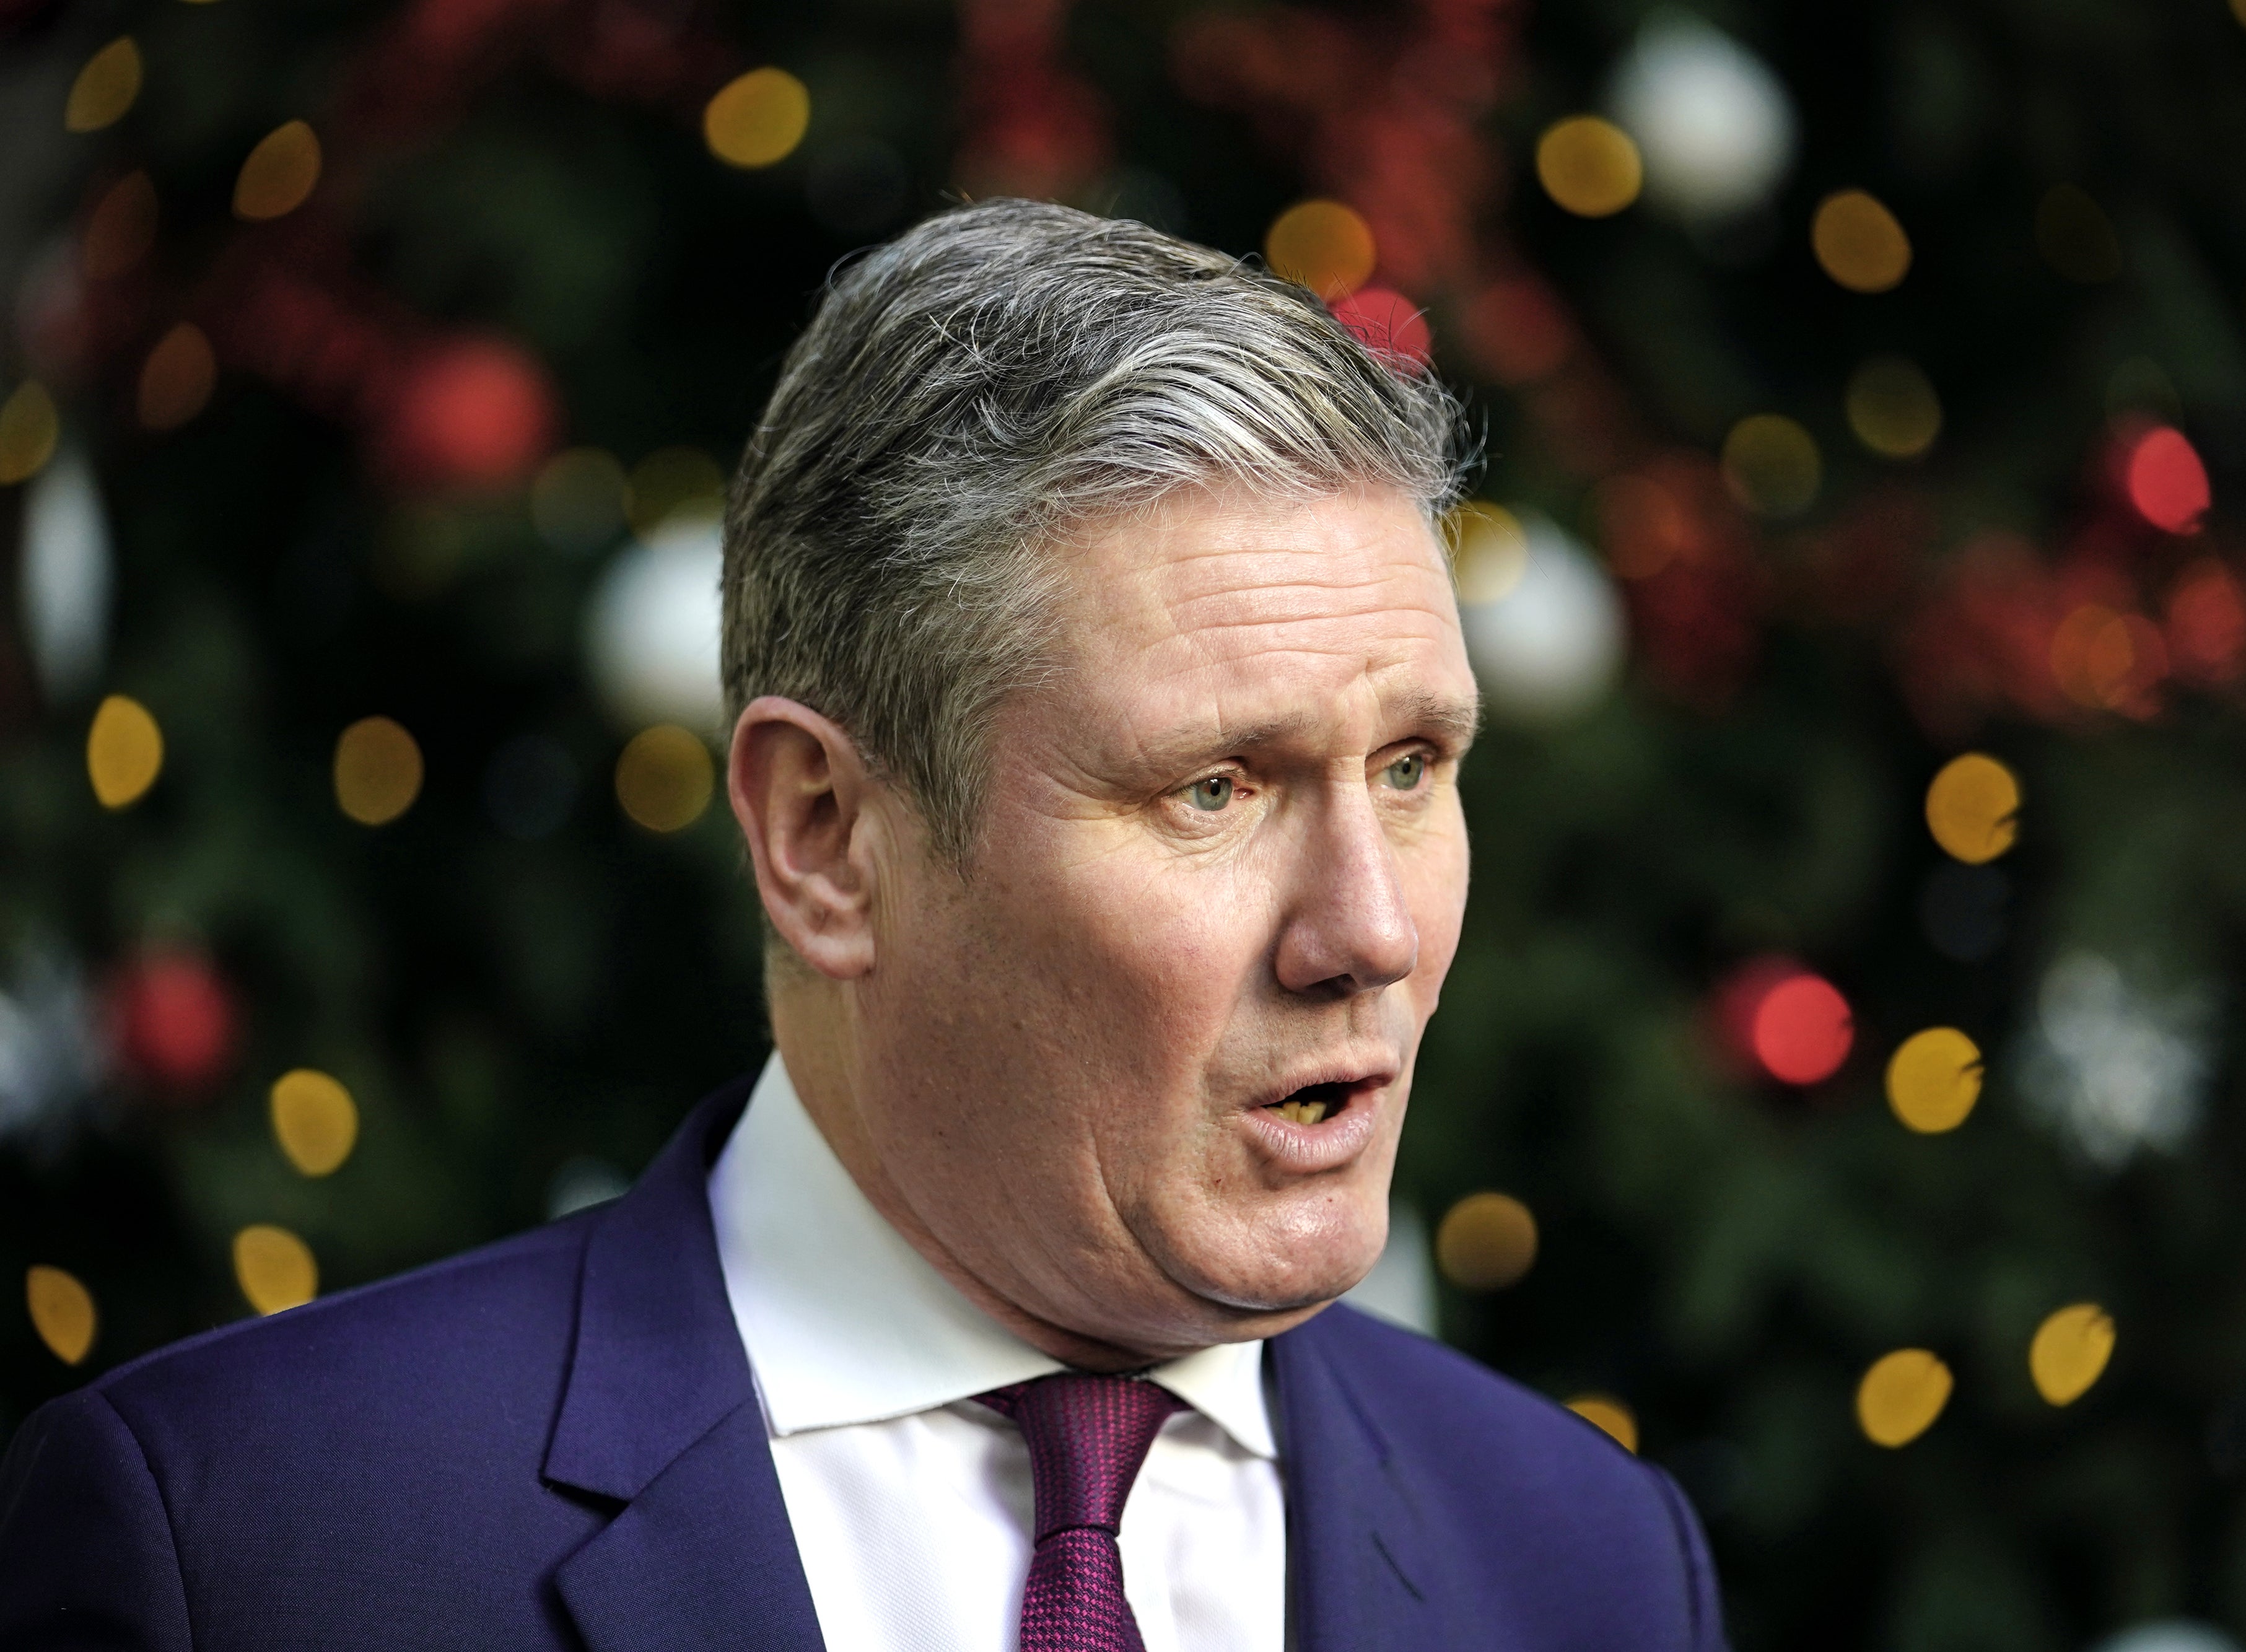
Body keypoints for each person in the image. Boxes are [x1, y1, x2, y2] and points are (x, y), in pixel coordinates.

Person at [0, 200, 1723, 1651]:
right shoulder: (248, 1544)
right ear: (823, 836)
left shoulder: (1596, 1567)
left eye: (1416, 765)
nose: (1372, 930)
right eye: (1217, 788)